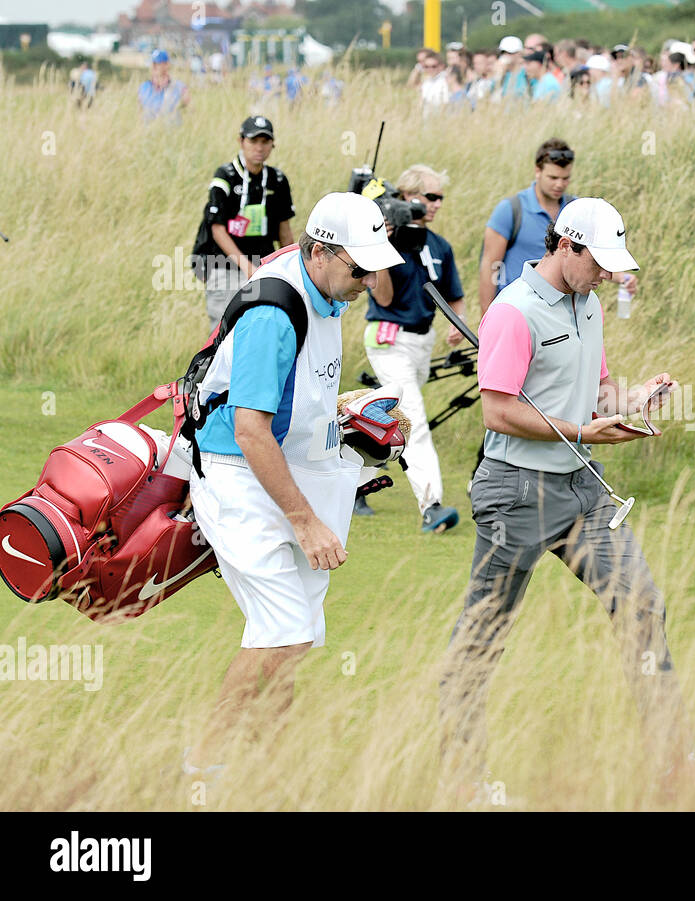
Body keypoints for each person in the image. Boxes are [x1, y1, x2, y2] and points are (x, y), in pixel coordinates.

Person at [437, 198, 695, 793]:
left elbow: (599, 394)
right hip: (514, 493)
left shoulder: (591, 304)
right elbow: (499, 411)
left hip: (581, 487)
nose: (606, 273)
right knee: (484, 633)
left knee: (641, 606)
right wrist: (583, 431)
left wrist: (632, 403)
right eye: (598, 262)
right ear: (565, 246)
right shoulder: (513, 311)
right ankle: (464, 780)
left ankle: (673, 763)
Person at [183, 193, 403, 776]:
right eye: (359, 267)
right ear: (321, 252)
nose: (368, 281)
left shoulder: (325, 289)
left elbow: (291, 402)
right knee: (282, 630)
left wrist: (346, 414)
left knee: (297, 633)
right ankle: (200, 766)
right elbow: (252, 432)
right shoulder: (273, 314)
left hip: (286, 469)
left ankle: (274, 761)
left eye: (374, 266)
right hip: (238, 477)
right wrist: (306, 523)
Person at [362, 165, 464, 533]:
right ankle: (431, 506)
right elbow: (384, 297)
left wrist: (456, 324)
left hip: (423, 341)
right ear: (406, 197)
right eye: (429, 197)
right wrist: (382, 244)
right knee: (415, 421)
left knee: (389, 419)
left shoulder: (439, 246)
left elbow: (455, 296)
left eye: (440, 198)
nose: (435, 204)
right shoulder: (385, 240)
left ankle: (354, 478)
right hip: (388, 339)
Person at [480, 139, 643, 313]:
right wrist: (487, 319)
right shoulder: (510, 210)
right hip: (517, 309)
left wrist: (619, 277)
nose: (559, 184)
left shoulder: (577, 211)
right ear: (538, 171)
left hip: (563, 309)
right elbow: (491, 266)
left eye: (565, 178)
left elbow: (585, 258)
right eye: (553, 177)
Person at [199, 116, 297, 332]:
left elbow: (284, 231)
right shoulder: (225, 176)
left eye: (265, 142)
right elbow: (217, 229)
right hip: (226, 267)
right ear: (241, 141)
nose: (259, 148)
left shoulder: (278, 180)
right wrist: (246, 266)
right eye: (253, 141)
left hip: (264, 268)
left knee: (261, 330)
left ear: (273, 144)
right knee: (224, 334)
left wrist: (293, 267)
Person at [138, 49, 190, 123]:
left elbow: (189, 109)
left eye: (157, 63)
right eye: (152, 63)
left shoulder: (179, 87)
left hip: (171, 131)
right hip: (149, 131)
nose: (154, 66)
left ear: (167, 65)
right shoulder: (143, 87)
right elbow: (140, 113)